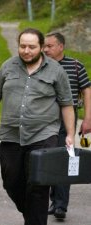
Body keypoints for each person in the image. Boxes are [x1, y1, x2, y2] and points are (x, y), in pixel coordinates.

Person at [0, 28, 75, 225]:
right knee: (11, 181)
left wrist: (70, 133)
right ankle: (32, 215)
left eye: (31, 47)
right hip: (11, 135)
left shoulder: (56, 70)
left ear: (41, 47)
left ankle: (34, 220)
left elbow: (66, 103)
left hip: (44, 135)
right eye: (22, 46)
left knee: (38, 185)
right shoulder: (8, 66)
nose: (26, 51)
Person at [44, 32, 91, 219]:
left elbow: (87, 91)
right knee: (48, 160)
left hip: (67, 122)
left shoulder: (76, 66)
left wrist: (88, 118)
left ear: (61, 46)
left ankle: (61, 206)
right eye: (44, 46)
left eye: (50, 46)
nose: (45, 49)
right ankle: (54, 201)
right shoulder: (42, 65)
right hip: (45, 121)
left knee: (65, 160)